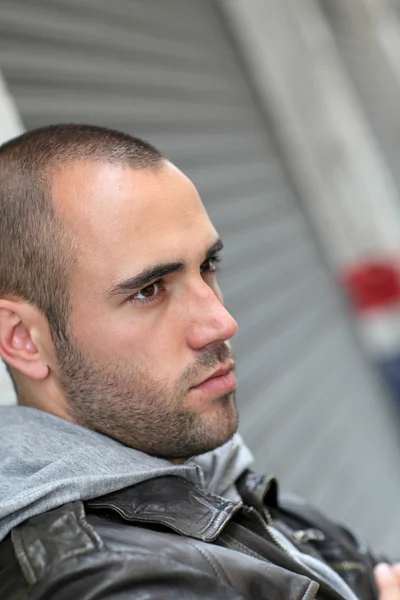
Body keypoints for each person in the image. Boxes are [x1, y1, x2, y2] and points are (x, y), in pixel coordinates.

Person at [0, 124, 396, 600]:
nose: (221, 322)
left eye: (208, 267)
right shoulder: (101, 580)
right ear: (23, 339)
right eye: (149, 291)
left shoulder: (205, 472)